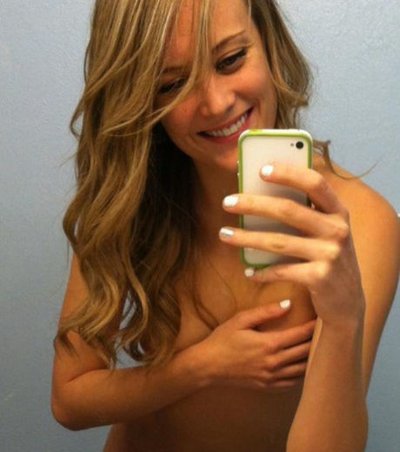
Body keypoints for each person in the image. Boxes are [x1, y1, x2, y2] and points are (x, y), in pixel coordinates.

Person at [51, 0, 400, 450]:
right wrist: (202, 366)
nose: (216, 104)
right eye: (172, 84)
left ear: (268, 42)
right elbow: (69, 400)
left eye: (230, 60)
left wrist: (344, 319)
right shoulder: (128, 202)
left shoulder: (361, 224)